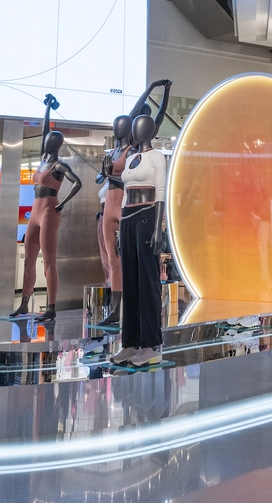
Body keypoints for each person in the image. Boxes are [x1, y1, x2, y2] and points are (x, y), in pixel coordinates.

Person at [113, 109, 169, 368]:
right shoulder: (132, 157)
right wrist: (119, 230)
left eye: (140, 126)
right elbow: (125, 192)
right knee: (131, 282)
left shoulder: (157, 157)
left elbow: (160, 193)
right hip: (128, 219)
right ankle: (130, 342)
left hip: (147, 218)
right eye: (135, 126)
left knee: (147, 282)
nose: (136, 130)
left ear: (150, 130)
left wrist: (159, 228)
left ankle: (151, 343)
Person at [13, 127, 74, 321]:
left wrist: (63, 204)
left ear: (56, 144)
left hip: (49, 210)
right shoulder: (42, 161)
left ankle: (51, 306)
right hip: (35, 210)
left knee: (49, 260)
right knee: (29, 259)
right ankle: (23, 303)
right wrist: (47, 108)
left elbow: (77, 182)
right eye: (46, 138)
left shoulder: (59, 166)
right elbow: (45, 128)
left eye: (50, 139)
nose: (46, 141)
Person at [96, 113, 130, 327]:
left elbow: (131, 179)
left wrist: (110, 174)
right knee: (112, 260)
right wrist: (104, 171)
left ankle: (128, 306)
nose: (117, 129)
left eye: (121, 125)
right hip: (109, 205)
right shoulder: (111, 152)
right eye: (115, 125)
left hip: (125, 203)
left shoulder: (132, 152)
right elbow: (100, 178)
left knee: (125, 259)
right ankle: (116, 310)